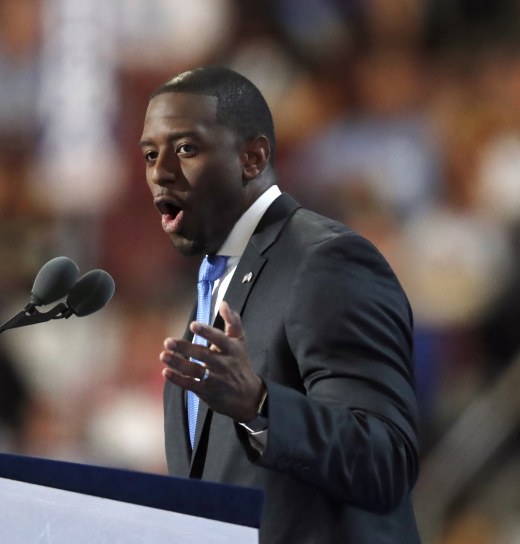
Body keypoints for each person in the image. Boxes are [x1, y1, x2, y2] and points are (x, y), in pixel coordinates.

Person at [139, 66, 421, 543]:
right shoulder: (216, 281)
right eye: (150, 154)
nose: (160, 172)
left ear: (253, 157)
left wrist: (259, 404)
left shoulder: (325, 260)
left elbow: (385, 459)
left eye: (185, 149)